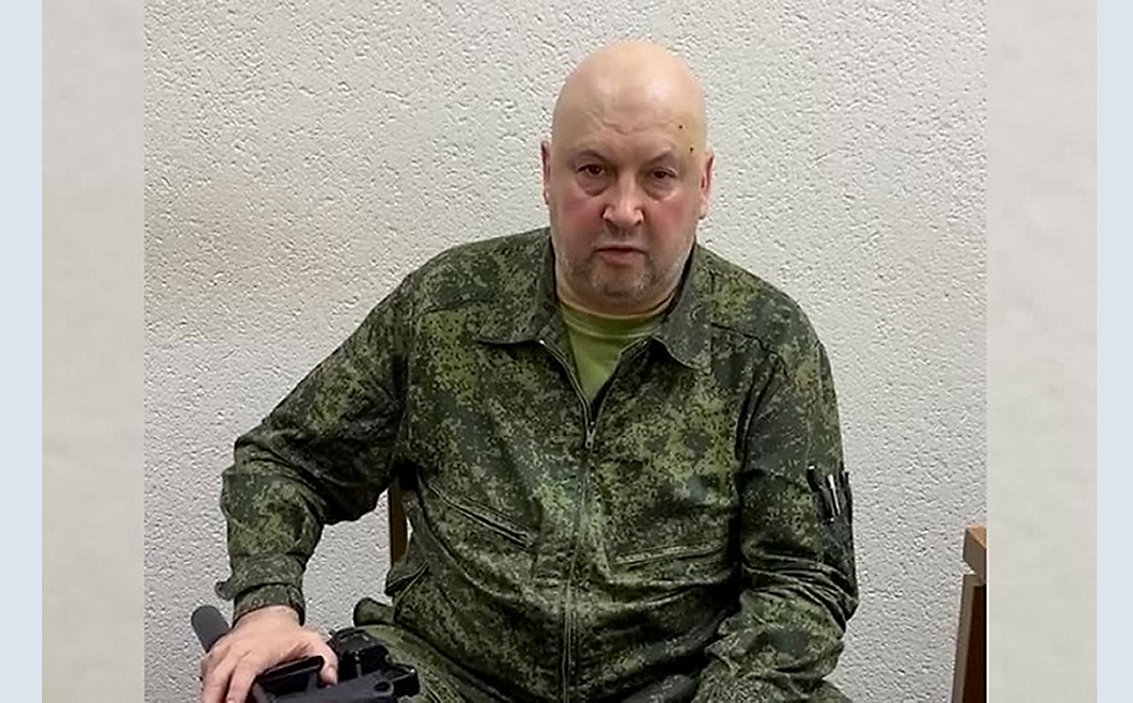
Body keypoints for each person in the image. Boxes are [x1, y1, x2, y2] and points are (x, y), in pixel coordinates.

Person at [200, 40, 858, 703]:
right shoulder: (447, 309)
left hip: (678, 687)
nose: (623, 209)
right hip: (450, 677)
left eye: (660, 175)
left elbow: (801, 582)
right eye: (593, 170)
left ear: (703, 184)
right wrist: (267, 607)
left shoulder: (766, 346)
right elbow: (287, 460)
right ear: (548, 172)